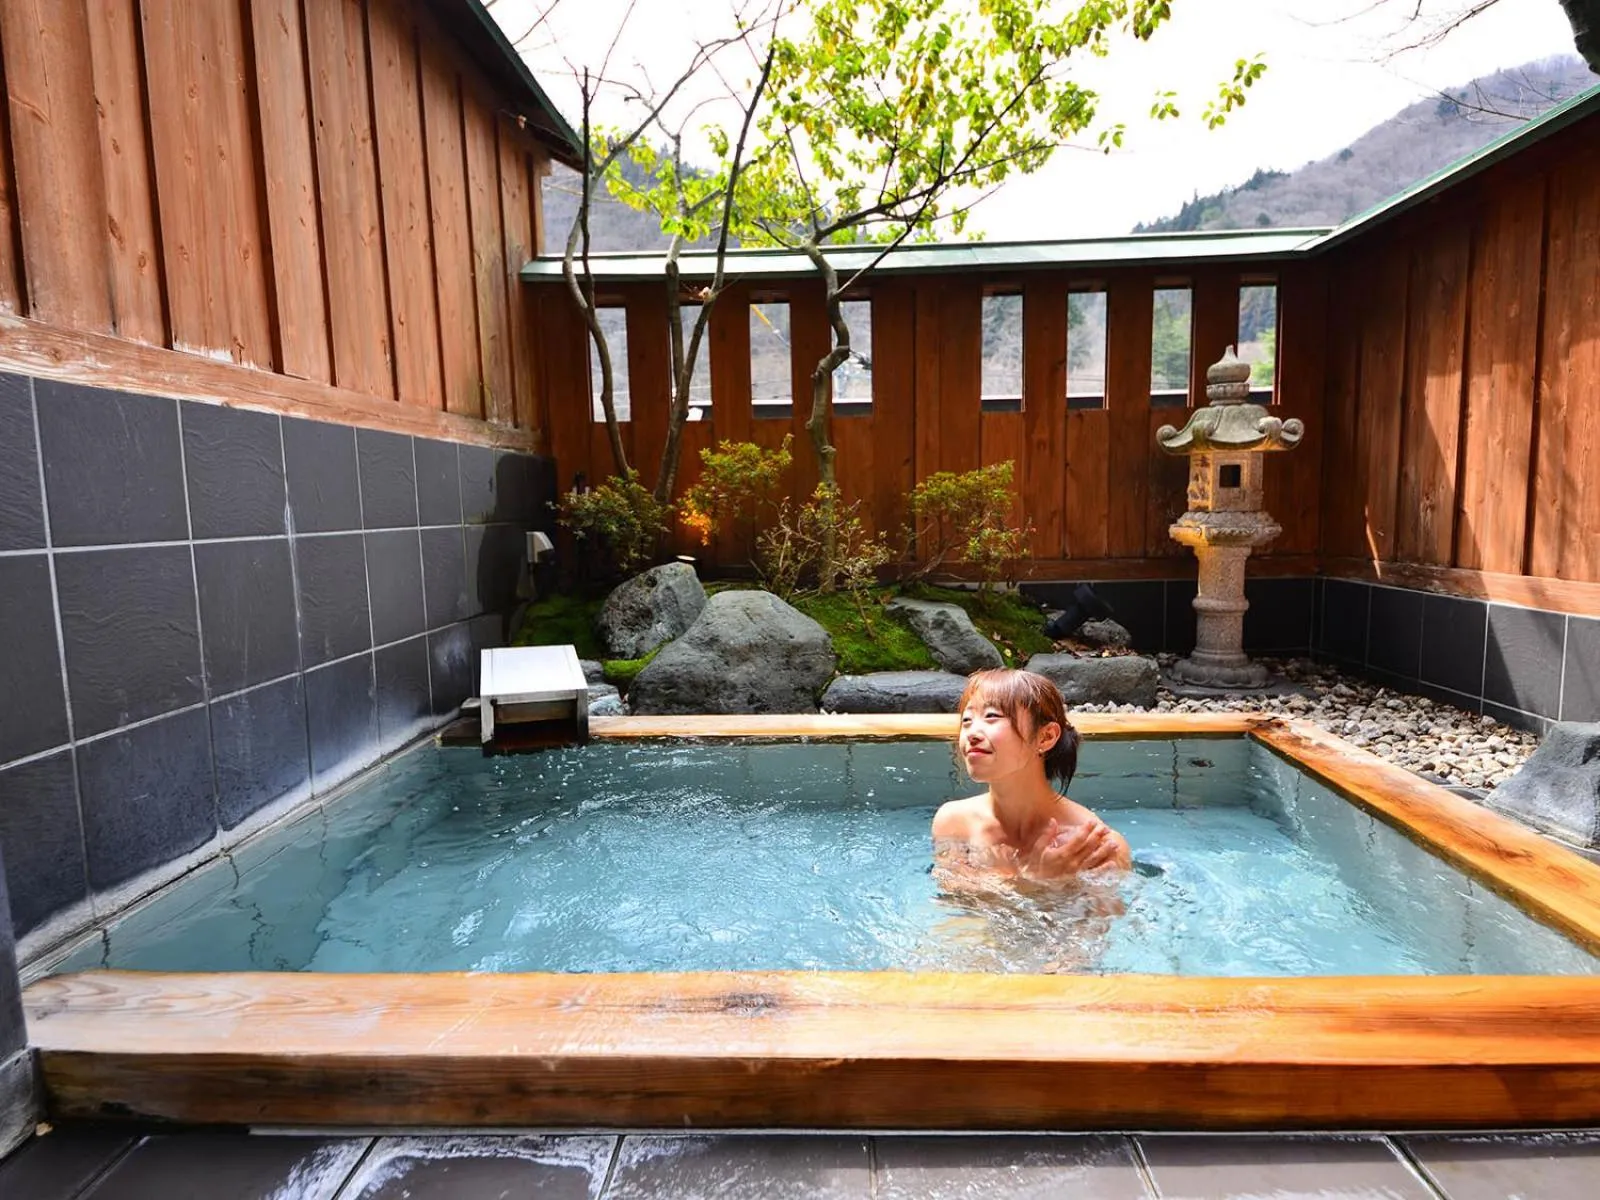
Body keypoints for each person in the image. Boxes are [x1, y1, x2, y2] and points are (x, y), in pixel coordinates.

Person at [933, 668, 1131, 884]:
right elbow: (955, 910)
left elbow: (1104, 917)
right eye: (967, 720)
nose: (971, 733)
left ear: (1046, 737)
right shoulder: (955, 823)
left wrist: (1043, 883)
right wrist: (1033, 881)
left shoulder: (1094, 846)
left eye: (992, 716)